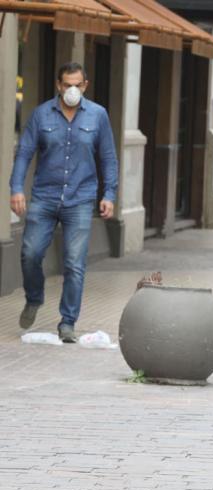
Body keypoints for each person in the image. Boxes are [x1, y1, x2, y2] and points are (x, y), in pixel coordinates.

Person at [9, 62, 118, 343]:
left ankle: (67, 322)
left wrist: (109, 194)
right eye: (67, 84)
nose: (72, 90)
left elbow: (107, 157)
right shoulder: (41, 114)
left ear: (85, 85)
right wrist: (16, 188)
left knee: (74, 263)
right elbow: (24, 153)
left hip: (81, 198)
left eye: (77, 85)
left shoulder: (98, 116)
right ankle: (34, 298)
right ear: (58, 85)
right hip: (44, 196)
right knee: (30, 253)